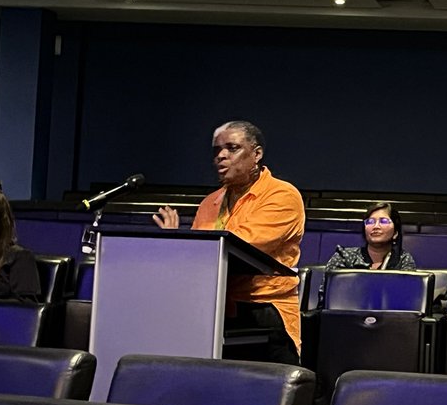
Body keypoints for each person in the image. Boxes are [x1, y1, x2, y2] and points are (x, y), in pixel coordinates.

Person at [154, 120, 305, 365]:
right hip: (213, 310)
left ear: (256, 154)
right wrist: (174, 243)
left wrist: (181, 244)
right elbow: (196, 262)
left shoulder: (282, 195)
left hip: (263, 313)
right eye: (216, 151)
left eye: (232, 148)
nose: (221, 156)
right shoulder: (210, 202)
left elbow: (241, 248)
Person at [325, 202, 417, 272]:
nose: (376, 226)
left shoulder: (403, 260)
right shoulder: (344, 257)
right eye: (370, 222)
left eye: (384, 221)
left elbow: (408, 295)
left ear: (395, 233)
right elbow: (328, 293)